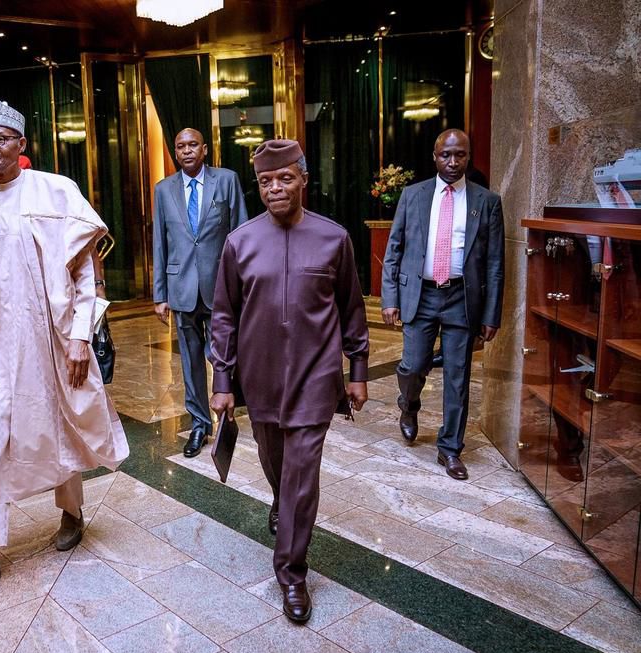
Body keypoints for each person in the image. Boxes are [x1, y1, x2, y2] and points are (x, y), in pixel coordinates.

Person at [0, 98, 128, 597]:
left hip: (45, 338)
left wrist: (81, 336)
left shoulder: (54, 190)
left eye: (0, 139)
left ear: (22, 144)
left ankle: (71, 511)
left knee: (57, 423)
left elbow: (84, 273)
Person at [209, 139, 369, 624]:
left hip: (316, 377)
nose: (275, 188)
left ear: (303, 179)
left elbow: (352, 310)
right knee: (274, 461)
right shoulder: (240, 242)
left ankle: (291, 572)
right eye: (265, 181)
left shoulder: (333, 238)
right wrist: (222, 378)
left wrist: (357, 369)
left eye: (285, 178)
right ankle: (283, 501)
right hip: (258, 380)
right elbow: (223, 316)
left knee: (302, 474)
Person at [381, 129, 505, 481]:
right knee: (412, 364)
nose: (453, 162)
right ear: (435, 157)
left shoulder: (487, 201)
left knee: (457, 376)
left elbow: (495, 263)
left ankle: (450, 448)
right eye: (446, 155)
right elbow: (394, 250)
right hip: (420, 294)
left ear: (469, 157)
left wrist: (491, 314)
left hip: (461, 299)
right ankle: (409, 405)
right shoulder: (413, 195)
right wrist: (390, 298)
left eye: (460, 155)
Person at [152, 127, 248, 457]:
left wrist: (243, 284)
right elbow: (160, 243)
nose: (187, 151)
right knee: (190, 362)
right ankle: (199, 424)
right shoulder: (163, 190)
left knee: (221, 353)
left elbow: (241, 234)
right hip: (181, 287)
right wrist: (160, 294)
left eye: (193, 145)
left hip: (220, 285)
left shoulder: (226, 180)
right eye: (181, 146)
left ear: (204, 149)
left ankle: (228, 407)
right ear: (175, 152)